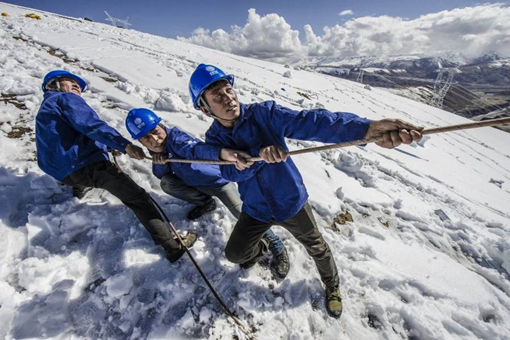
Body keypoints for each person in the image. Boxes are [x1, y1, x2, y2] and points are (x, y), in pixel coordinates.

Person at [188, 64, 423, 319]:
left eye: (229, 89)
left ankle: (332, 286)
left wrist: (365, 129)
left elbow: (312, 122)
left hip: (291, 203)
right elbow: (230, 173)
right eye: (218, 96)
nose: (229, 98)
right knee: (235, 254)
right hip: (256, 208)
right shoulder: (214, 140)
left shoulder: (265, 114)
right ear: (204, 108)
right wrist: (257, 156)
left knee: (317, 248)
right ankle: (265, 248)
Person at [35, 70, 197, 263]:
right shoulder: (65, 99)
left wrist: (107, 145)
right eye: (70, 82)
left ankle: (80, 188)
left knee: (83, 178)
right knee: (139, 199)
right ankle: (172, 246)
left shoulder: (46, 109)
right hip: (87, 166)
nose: (77, 86)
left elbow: (74, 134)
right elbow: (90, 125)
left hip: (61, 172)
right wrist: (124, 144)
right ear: (52, 85)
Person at [124, 108, 290, 279]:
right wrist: (159, 159)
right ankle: (206, 203)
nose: (154, 139)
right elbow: (161, 175)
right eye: (146, 138)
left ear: (162, 125)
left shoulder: (178, 139)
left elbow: (196, 149)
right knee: (167, 183)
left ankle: (278, 247)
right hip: (196, 184)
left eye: (155, 132)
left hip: (219, 183)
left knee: (244, 213)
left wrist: (222, 153)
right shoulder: (158, 150)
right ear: (142, 143)